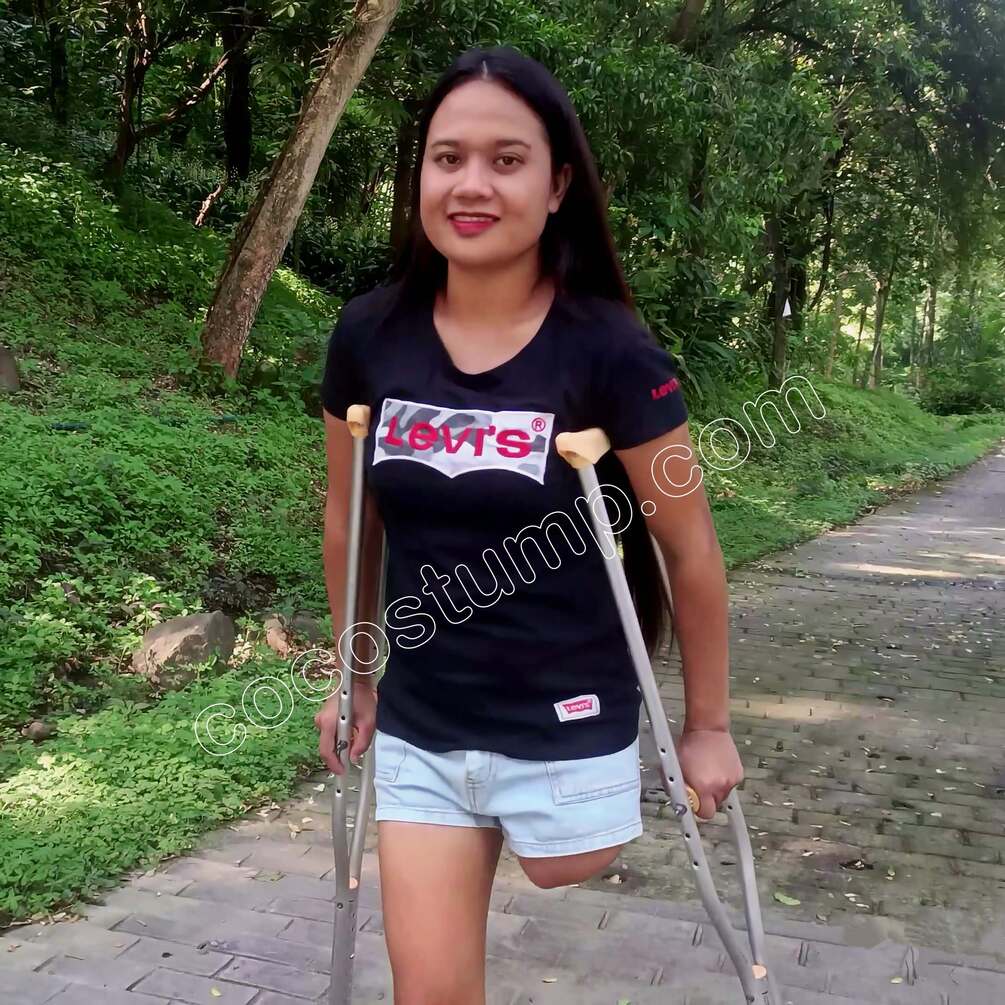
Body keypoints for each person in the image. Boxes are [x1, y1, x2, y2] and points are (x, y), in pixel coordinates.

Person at [314, 45, 743, 1005]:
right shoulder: (370, 335)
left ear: (556, 188)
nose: (471, 184)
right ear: (419, 176)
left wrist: (708, 727)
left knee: (561, 866)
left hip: (565, 715)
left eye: (506, 161)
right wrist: (354, 678)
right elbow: (349, 522)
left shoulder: (613, 351)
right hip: (425, 725)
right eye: (447, 158)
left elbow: (687, 547)